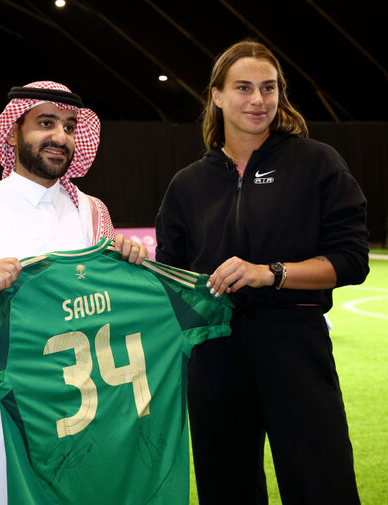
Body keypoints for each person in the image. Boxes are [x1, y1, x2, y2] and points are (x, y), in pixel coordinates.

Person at [155, 40, 369, 504]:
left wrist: (269, 273)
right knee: (226, 489)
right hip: (215, 360)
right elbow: (169, 281)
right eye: (244, 88)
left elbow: (352, 260)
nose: (258, 100)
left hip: (296, 349)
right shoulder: (188, 184)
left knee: (321, 485)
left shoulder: (316, 163)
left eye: (268, 89)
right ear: (216, 95)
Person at [0, 80, 146, 505]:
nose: (60, 136)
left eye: (68, 125)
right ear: (12, 131)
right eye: (46, 123)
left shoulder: (90, 214)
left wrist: (128, 266)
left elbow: (110, 317)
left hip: (71, 422)